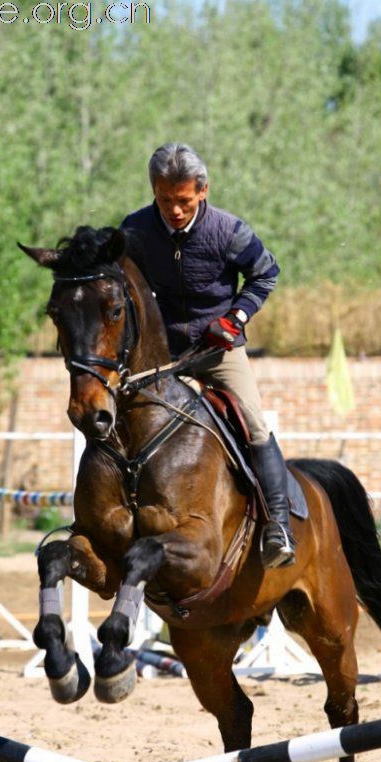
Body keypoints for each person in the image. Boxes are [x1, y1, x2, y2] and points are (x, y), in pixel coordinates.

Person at [120, 142, 295, 569]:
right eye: (164, 201)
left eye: (183, 201)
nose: (174, 211)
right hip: (161, 352)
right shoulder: (136, 230)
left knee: (254, 423)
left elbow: (265, 274)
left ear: (203, 191)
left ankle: (279, 526)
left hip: (218, 350)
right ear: (153, 192)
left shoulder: (230, 231)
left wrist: (234, 318)